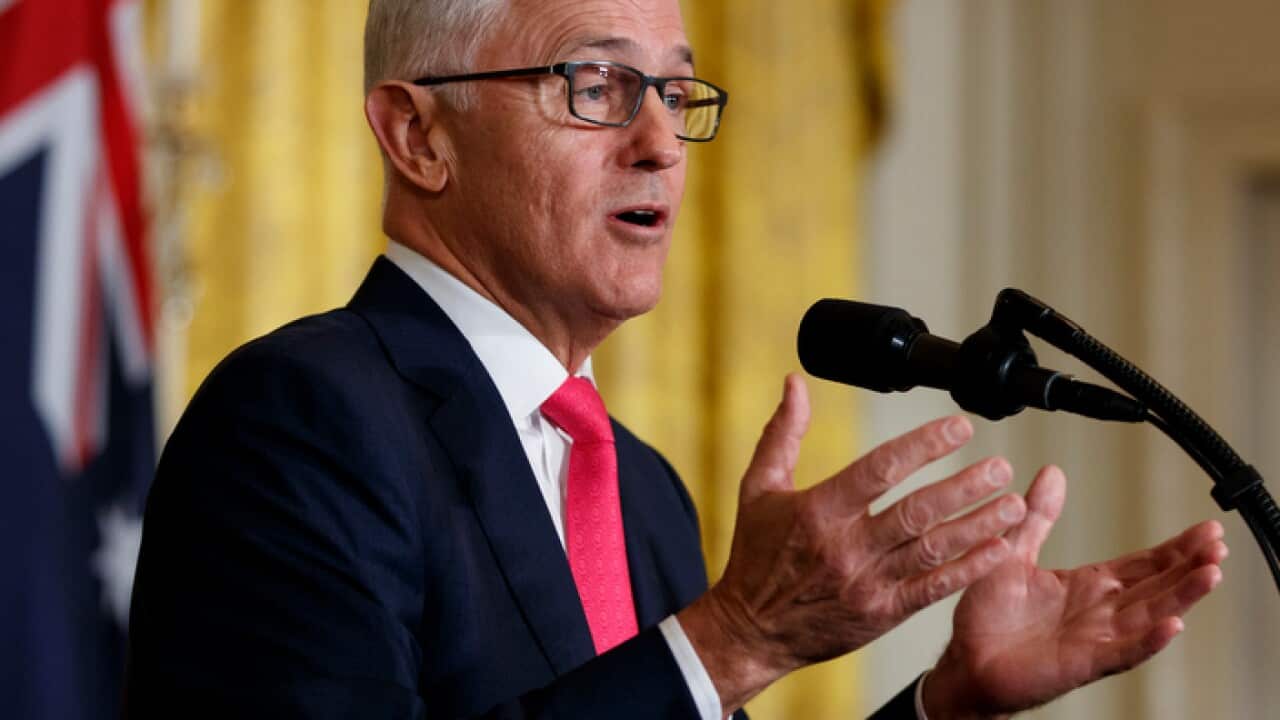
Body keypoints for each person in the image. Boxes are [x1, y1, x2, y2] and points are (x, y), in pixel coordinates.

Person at [123, 0, 1228, 717]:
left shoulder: (640, 488)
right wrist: (730, 639)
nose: (656, 141)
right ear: (418, 136)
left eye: (674, 91)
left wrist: (943, 706)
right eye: (594, 88)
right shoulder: (298, 422)